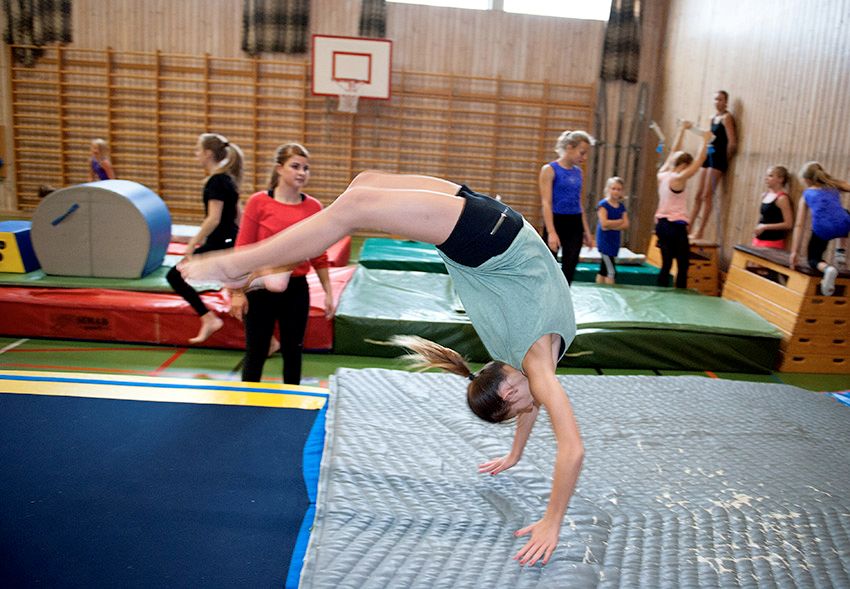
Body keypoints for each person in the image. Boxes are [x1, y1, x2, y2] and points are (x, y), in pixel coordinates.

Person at [182, 171, 583, 567]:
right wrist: (552, 520)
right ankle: (240, 265)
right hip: (489, 238)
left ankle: (275, 265)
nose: (533, 408)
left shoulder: (518, 361)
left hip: (496, 221)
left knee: (362, 184)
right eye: (523, 409)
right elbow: (572, 450)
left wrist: (515, 454)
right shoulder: (531, 364)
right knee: (354, 206)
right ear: (509, 393)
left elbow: (530, 405)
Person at [229, 144, 335, 384]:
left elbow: (319, 255)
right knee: (256, 351)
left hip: (295, 290)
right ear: (279, 168)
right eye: (295, 166)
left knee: (292, 351)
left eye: (306, 168)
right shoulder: (259, 202)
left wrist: (328, 293)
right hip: (259, 288)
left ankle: (293, 402)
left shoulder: (313, 207)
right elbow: (242, 249)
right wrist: (237, 292)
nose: (302, 172)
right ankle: (248, 398)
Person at [166, 133, 243, 344]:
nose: (196, 154)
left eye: (198, 150)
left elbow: (213, 218)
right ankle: (269, 340)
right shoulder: (227, 178)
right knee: (238, 287)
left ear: (208, 153)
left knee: (175, 276)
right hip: (228, 241)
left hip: (219, 243)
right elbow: (238, 215)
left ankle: (208, 318)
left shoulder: (217, 181)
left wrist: (192, 243)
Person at [654, 121, 714, 289]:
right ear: (684, 165)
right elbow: (698, 164)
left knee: (666, 264)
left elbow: (673, 152)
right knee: (683, 265)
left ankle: (660, 295)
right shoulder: (678, 179)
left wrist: (682, 130)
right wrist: (705, 141)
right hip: (675, 226)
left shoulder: (663, 174)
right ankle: (680, 294)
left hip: (662, 225)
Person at [539, 130, 595, 284]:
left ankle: (563, 302)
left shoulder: (578, 172)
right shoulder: (549, 170)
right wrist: (551, 232)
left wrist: (586, 231)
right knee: (549, 267)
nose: (584, 157)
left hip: (574, 222)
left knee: (570, 266)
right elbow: (546, 202)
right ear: (569, 149)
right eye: (582, 153)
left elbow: (578, 203)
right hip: (556, 221)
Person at [789, 162, 850, 296]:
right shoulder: (834, 185)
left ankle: (828, 270)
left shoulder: (807, 194)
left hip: (823, 229)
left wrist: (794, 252)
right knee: (844, 214)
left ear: (806, 180)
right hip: (844, 224)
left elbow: (800, 225)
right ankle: (841, 253)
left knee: (813, 259)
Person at [688, 90, 737, 240]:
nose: (718, 102)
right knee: (698, 194)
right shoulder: (712, 117)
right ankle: (688, 227)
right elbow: (709, 137)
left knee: (706, 195)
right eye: (716, 99)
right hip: (708, 155)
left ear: (726, 102)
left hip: (719, 158)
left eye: (721, 100)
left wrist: (726, 159)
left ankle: (700, 230)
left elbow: (732, 142)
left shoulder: (727, 118)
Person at [595, 176, 629, 284]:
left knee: (604, 269)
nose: (615, 191)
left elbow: (626, 224)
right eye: (613, 188)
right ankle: (610, 292)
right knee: (611, 271)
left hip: (614, 240)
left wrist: (612, 224)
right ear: (608, 189)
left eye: (618, 189)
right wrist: (619, 221)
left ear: (622, 191)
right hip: (605, 240)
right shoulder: (603, 205)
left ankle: (599, 288)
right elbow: (604, 224)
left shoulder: (621, 207)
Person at [752, 165, 793, 249]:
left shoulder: (782, 198)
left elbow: (788, 224)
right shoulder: (765, 195)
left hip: (773, 241)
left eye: (770, 176)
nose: (766, 178)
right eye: (767, 175)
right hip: (759, 238)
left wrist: (765, 226)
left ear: (780, 179)